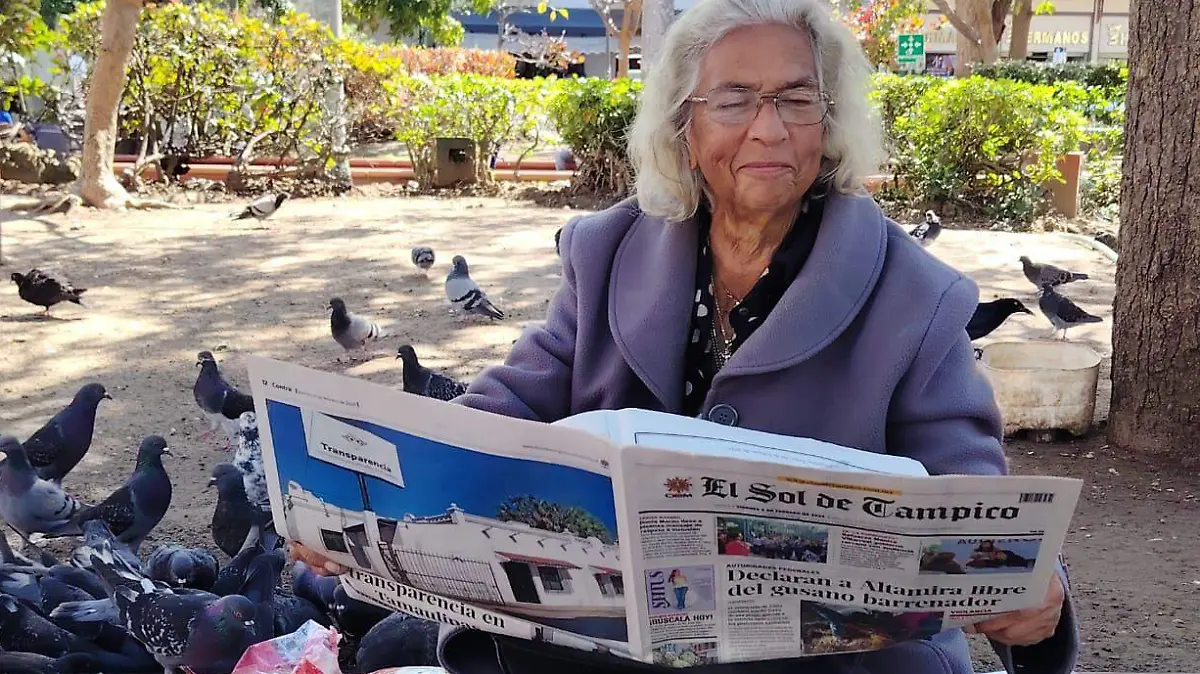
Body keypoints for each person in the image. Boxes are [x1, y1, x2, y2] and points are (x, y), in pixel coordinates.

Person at [290, 0, 1077, 672]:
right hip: (611, 640)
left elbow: (973, 503)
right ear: (684, 127)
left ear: (828, 124)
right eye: (734, 99)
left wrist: (1029, 590)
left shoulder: (919, 296)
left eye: (797, 100)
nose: (769, 130)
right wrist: (384, 496)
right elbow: (510, 404)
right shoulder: (606, 253)